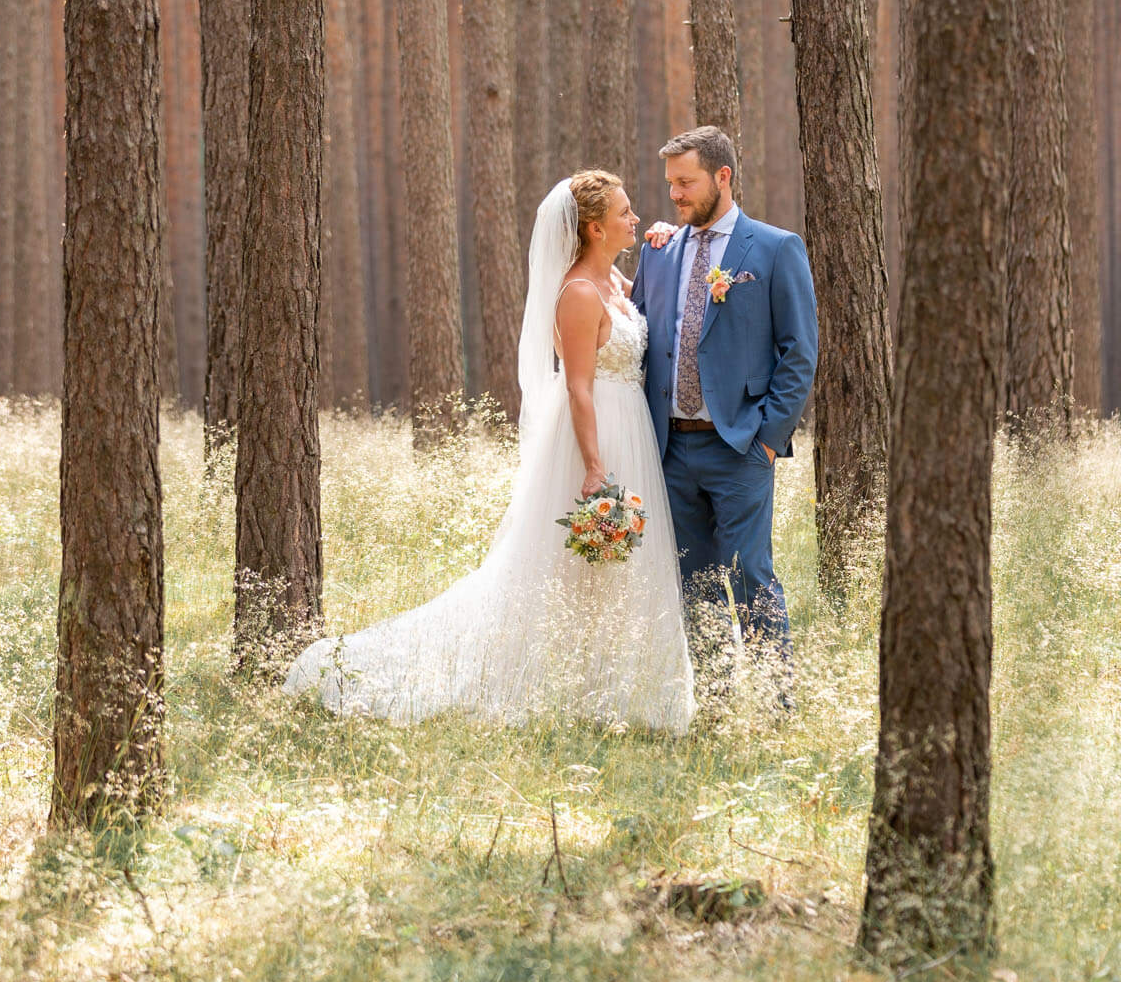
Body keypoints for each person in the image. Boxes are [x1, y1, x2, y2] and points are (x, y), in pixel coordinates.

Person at [285, 171, 694, 731]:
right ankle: (569, 689)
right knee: (576, 567)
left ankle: (623, 691)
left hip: (633, 430)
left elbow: (645, 301)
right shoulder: (576, 293)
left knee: (618, 570)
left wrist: (663, 243)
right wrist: (596, 466)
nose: (636, 218)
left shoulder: (615, 283)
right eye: (625, 213)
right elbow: (577, 386)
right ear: (595, 229)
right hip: (594, 437)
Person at [634, 126, 818, 687]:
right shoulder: (661, 251)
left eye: (686, 183)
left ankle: (773, 702)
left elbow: (799, 351)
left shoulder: (773, 248)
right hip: (670, 448)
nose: (675, 196)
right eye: (670, 184)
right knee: (693, 581)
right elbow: (639, 331)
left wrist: (766, 436)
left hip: (739, 446)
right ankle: (715, 705)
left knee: (751, 578)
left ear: (723, 176)